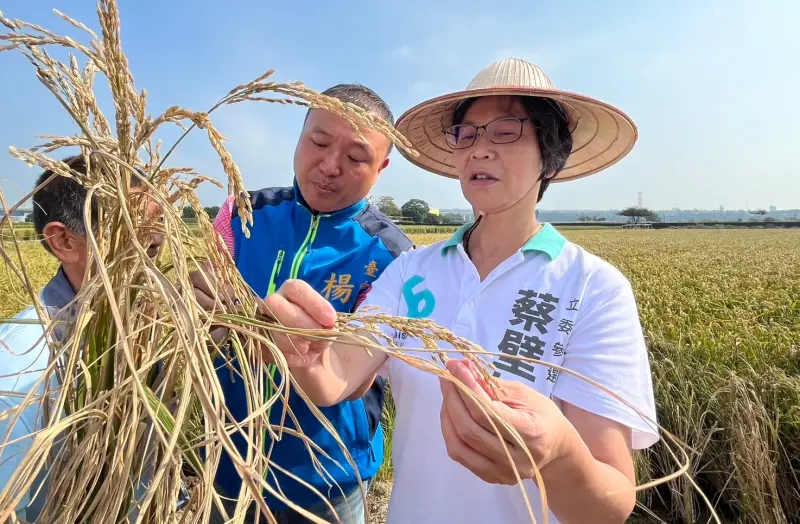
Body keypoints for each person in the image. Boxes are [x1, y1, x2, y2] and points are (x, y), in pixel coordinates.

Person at [256, 58, 659, 524]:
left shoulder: (593, 288)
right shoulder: (411, 271)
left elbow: (608, 505)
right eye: (467, 134)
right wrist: (304, 348)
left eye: (506, 130)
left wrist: (559, 453)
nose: (480, 150)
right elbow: (338, 372)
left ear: (549, 155)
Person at [197, 84, 412, 523]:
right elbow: (203, 310)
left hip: (328, 480)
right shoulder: (242, 214)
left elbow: (351, 379)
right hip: (228, 468)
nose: (330, 167)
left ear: (381, 167)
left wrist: (262, 334)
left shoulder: (392, 256)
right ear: (298, 137)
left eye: (356, 158)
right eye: (318, 142)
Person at [0, 155, 165, 522]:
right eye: (133, 227)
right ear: (63, 241)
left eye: (159, 222)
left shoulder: (146, 331)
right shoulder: (19, 363)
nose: (155, 240)